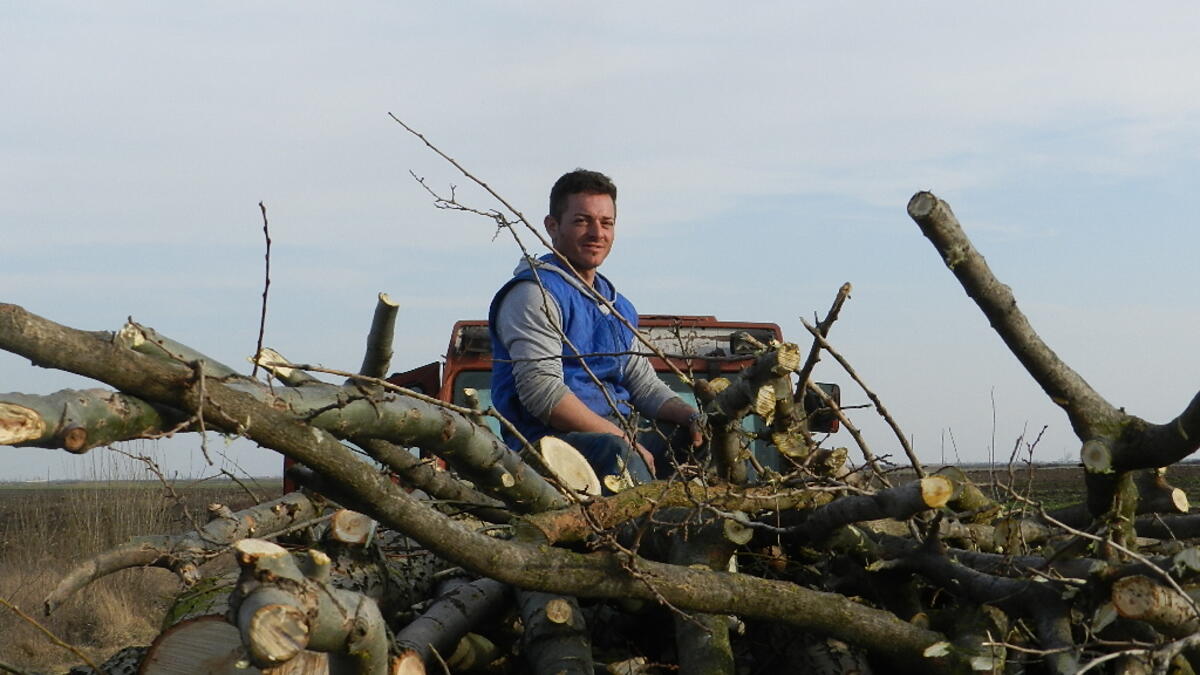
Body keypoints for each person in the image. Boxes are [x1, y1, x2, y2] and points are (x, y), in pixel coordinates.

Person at [489, 169, 702, 484]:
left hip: (616, 435)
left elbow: (643, 386)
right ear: (552, 226)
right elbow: (543, 393)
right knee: (615, 451)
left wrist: (691, 416)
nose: (596, 233)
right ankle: (656, 529)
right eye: (581, 221)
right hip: (548, 445)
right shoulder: (534, 294)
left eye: (606, 223)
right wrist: (625, 441)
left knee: (699, 435)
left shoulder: (617, 306)